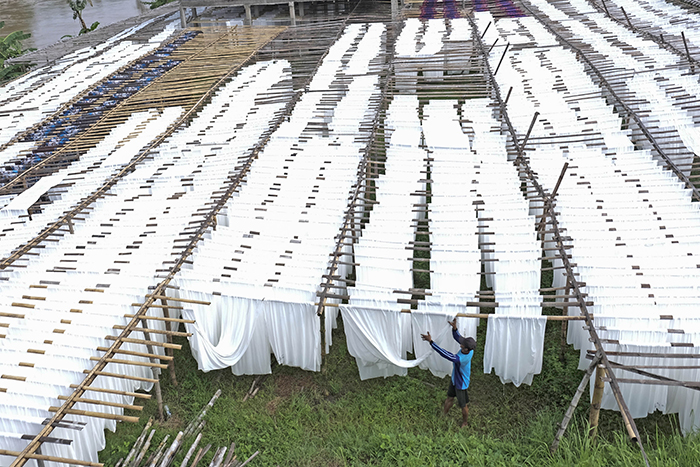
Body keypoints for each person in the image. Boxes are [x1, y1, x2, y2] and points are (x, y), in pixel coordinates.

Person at [421, 318, 476, 428]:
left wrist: (431, 342)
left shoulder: (461, 358)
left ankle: (465, 422)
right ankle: (443, 415)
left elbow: (446, 354)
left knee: (463, 405)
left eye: (462, 345)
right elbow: (458, 338)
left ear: (466, 349)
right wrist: (454, 328)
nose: (460, 345)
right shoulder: (468, 348)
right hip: (454, 379)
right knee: (449, 398)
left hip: (461, 383)